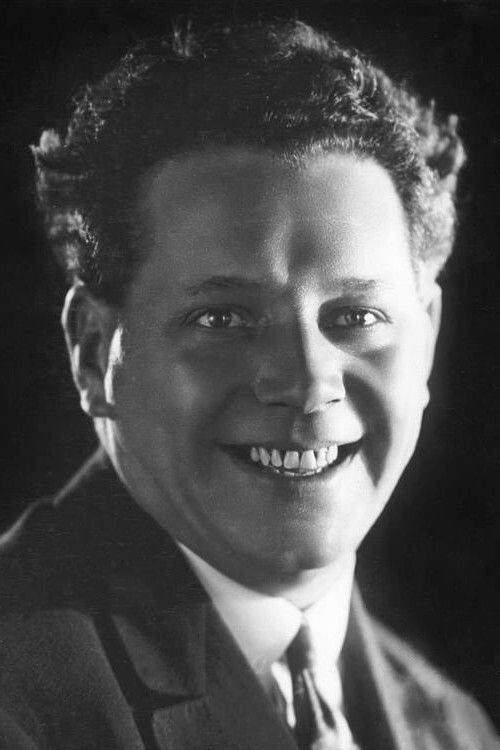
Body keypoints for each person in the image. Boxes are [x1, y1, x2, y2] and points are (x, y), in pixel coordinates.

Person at [0, 19, 497, 750]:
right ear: (93, 351)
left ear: (425, 334)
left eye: (356, 316)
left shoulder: (458, 729)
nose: (308, 383)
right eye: (224, 318)